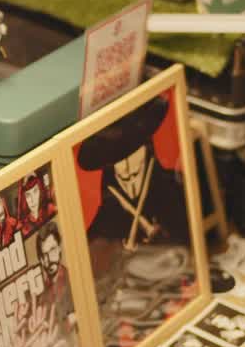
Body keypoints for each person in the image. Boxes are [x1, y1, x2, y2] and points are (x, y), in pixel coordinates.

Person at [76, 97, 188, 249]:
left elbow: (183, 236)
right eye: (120, 160)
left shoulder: (172, 189)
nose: (128, 169)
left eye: (134, 154)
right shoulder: (106, 212)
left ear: (147, 149)